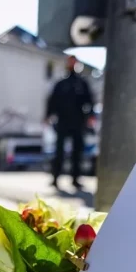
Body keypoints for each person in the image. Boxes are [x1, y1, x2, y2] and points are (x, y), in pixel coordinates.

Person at [45, 55, 94, 189]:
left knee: (77, 152)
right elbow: (52, 101)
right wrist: (48, 115)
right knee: (59, 151)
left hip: (78, 122)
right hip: (62, 122)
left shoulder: (82, 83)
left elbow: (89, 100)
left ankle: (75, 179)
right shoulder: (61, 83)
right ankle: (55, 178)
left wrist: (90, 115)